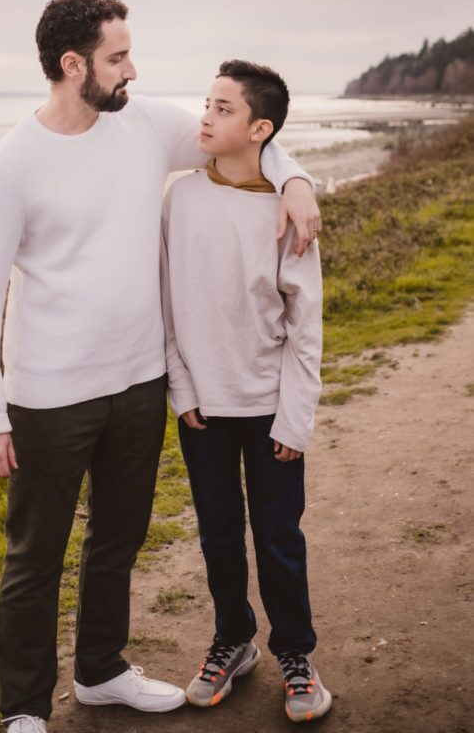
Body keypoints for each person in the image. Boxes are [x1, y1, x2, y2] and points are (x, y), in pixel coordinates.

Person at [0, 0, 322, 733]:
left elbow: (251, 136)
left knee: (115, 543)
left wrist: (296, 181)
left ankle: (101, 672)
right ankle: (24, 708)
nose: (133, 69)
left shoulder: (144, 124)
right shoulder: (9, 167)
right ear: (73, 65)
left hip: (138, 384)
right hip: (49, 394)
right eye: (118, 57)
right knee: (35, 559)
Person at [160, 59, 332, 723]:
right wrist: (181, 389)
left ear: (259, 128)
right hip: (202, 408)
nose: (204, 116)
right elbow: (167, 304)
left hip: (268, 409)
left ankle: (295, 653)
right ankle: (232, 639)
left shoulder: (289, 215)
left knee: (278, 539)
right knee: (217, 537)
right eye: (206, 103)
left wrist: (294, 418)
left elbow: (304, 326)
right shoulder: (179, 198)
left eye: (223, 108)